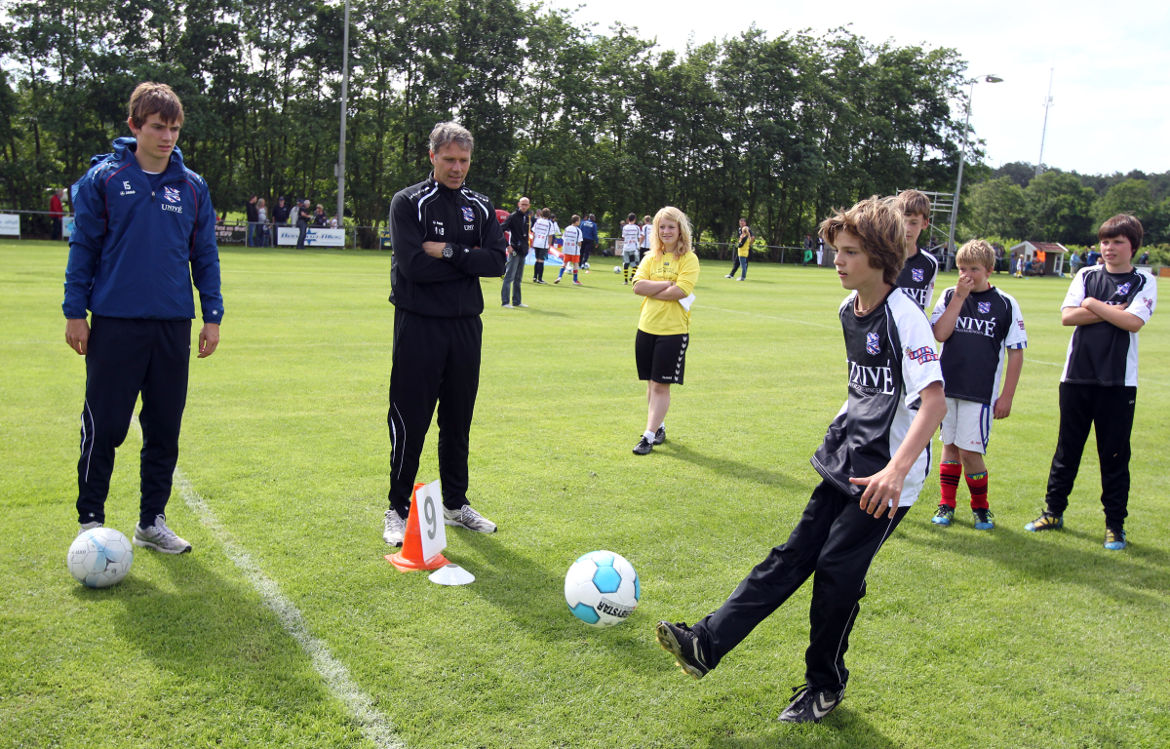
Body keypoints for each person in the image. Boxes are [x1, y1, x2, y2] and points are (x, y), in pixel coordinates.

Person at [654, 196, 945, 724]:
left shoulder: (906, 318)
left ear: (879, 256)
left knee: (836, 571)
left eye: (850, 252)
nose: (837, 260)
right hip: (847, 456)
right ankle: (704, 643)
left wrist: (897, 469)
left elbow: (934, 402)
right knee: (791, 556)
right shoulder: (846, 310)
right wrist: (842, 423)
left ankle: (824, 686)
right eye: (835, 249)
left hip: (888, 477)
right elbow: (864, 387)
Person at [62, 81, 223, 553]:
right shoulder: (104, 181)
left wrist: (210, 315)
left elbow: (205, 254)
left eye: (174, 128)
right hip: (115, 322)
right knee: (105, 425)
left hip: (173, 324)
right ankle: (91, 523)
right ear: (134, 126)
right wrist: (75, 313)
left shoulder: (193, 186)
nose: (167, 136)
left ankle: (151, 521)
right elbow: (84, 248)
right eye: (157, 127)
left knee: (164, 428)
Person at [382, 121, 506, 546]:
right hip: (419, 325)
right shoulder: (409, 202)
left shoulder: (482, 206)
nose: (457, 168)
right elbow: (414, 266)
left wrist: (451, 252)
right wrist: (468, 261)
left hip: (466, 327)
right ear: (432, 156)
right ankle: (397, 508)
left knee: (458, 419)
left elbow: (496, 263)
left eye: (464, 160)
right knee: (410, 418)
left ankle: (455, 503)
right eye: (449, 159)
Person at [1027, 215, 1157, 550]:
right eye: (1105, 242)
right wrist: (1109, 309)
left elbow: (1133, 322)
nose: (1109, 248)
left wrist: (1092, 304)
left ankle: (1115, 525)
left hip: (1118, 383)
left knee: (1114, 455)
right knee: (1066, 450)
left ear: (1133, 247)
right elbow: (1068, 316)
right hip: (1075, 378)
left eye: (1117, 242)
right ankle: (1053, 512)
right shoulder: (1086, 274)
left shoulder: (1144, 280)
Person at [927, 239, 1027, 530]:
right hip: (948, 388)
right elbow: (940, 335)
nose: (967, 275)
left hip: (980, 392)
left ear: (990, 270)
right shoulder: (949, 295)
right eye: (961, 268)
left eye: (974, 269)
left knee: (970, 452)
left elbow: (1016, 351)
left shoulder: (1005, 304)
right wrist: (959, 297)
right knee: (949, 446)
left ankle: (981, 507)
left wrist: (1006, 396)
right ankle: (947, 504)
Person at [630, 206, 699, 456]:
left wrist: (656, 287)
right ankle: (658, 427)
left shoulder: (689, 259)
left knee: (660, 385)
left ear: (681, 230)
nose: (666, 231)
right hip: (646, 327)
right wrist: (667, 283)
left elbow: (681, 291)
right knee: (650, 383)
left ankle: (648, 437)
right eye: (662, 227)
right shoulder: (650, 257)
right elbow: (637, 286)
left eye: (671, 226)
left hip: (673, 331)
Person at [893, 189, 939, 311]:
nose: (907, 229)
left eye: (913, 223)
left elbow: (923, 305)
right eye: (903, 222)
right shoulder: (879, 258)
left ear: (925, 223)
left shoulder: (930, 263)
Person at [501, 196, 532, 308]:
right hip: (514, 249)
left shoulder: (528, 217)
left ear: (529, 206)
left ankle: (517, 301)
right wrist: (507, 246)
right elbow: (500, 230)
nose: (524, 206)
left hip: (523, 251)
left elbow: (527, 234)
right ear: (519, 204)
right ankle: (505, 302)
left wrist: (528, 246)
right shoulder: (513, 216)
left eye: (526, 204)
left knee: (518, 278)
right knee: (509, 277)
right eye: (522, 204)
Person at [555, 214, 584, 285]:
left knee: (564, 263)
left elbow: (563, 238)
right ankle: (575, 280)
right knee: (575, 264)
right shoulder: (578, 230)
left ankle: (559, 277)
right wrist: (579, 248)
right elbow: (579, 242)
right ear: (576, 221)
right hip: (574, 250)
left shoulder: (567, 228)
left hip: (567, 249)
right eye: (579, 221)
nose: (579, 222)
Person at [531, 208, 552, 284]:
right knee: (541, 261)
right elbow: (550, 235)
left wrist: (533, 241)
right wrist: (549, 245)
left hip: (536, 242)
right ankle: (540, 279)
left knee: (537, 260)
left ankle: (534, 276)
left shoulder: (538, 221)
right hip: (543, 243)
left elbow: (533, 232)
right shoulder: (549, 223)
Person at [621, 213, 641, 285]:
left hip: (626, 247)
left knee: (626, 263)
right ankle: (632, 276)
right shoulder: (637, 228)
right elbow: (639, 237)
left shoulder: (625, 227)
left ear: (628, 219)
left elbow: (623, 237)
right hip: (633, 248)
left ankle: (625, 281)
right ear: (635, 219)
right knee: (635, 263)